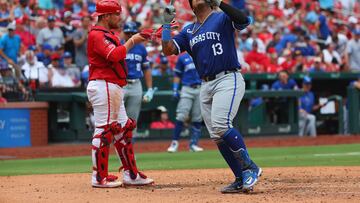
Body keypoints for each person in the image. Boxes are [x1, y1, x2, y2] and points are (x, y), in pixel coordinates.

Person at [161, 0, 261, 193]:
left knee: (222, 125)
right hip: (205, 84)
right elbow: (167, 50)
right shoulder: (189, 30)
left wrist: (221, 3)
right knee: (217, 135)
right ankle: (240, 178)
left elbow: (244, 20)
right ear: (190, 5)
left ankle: (250, 167)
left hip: (227, 77)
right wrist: (166, 25)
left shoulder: (221, 17)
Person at [86, 0, 153, 188]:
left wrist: (143, 36)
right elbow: (115, 55)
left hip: (112, 86)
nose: (119, 18)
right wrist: (133, 40)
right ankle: (99, 177)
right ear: (106, 16)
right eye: (116, 14)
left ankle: (131, 174)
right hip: (103, 84)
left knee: (123, 130)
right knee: (105, 130)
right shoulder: (96, 34)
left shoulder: (106, 34)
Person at [121, 21, 155, 137]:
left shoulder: (141, 48)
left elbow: (146, 69)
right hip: (121, 84)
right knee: (116, 119)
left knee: (132, 120)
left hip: (136, 84)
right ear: (123, 33)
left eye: (133, 33)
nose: (130, 35)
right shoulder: (118, 45)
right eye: (128, 33)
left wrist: (150, 89)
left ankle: (128, 152)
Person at [167, 52, 204, 153]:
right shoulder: (183, 57)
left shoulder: (202, 54)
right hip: (187, 88)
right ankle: (174, 143)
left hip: (201, 87)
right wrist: (175, 89)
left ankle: (194, 144)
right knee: (181, 115)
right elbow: (177, 74)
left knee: (197, 117)